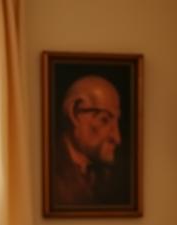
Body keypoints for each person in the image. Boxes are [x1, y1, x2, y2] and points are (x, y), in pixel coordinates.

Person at [51, 74, 123, 208]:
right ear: (74, 114)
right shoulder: (52, 175)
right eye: (104, 120)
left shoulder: (103, 177)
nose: (117, 138)